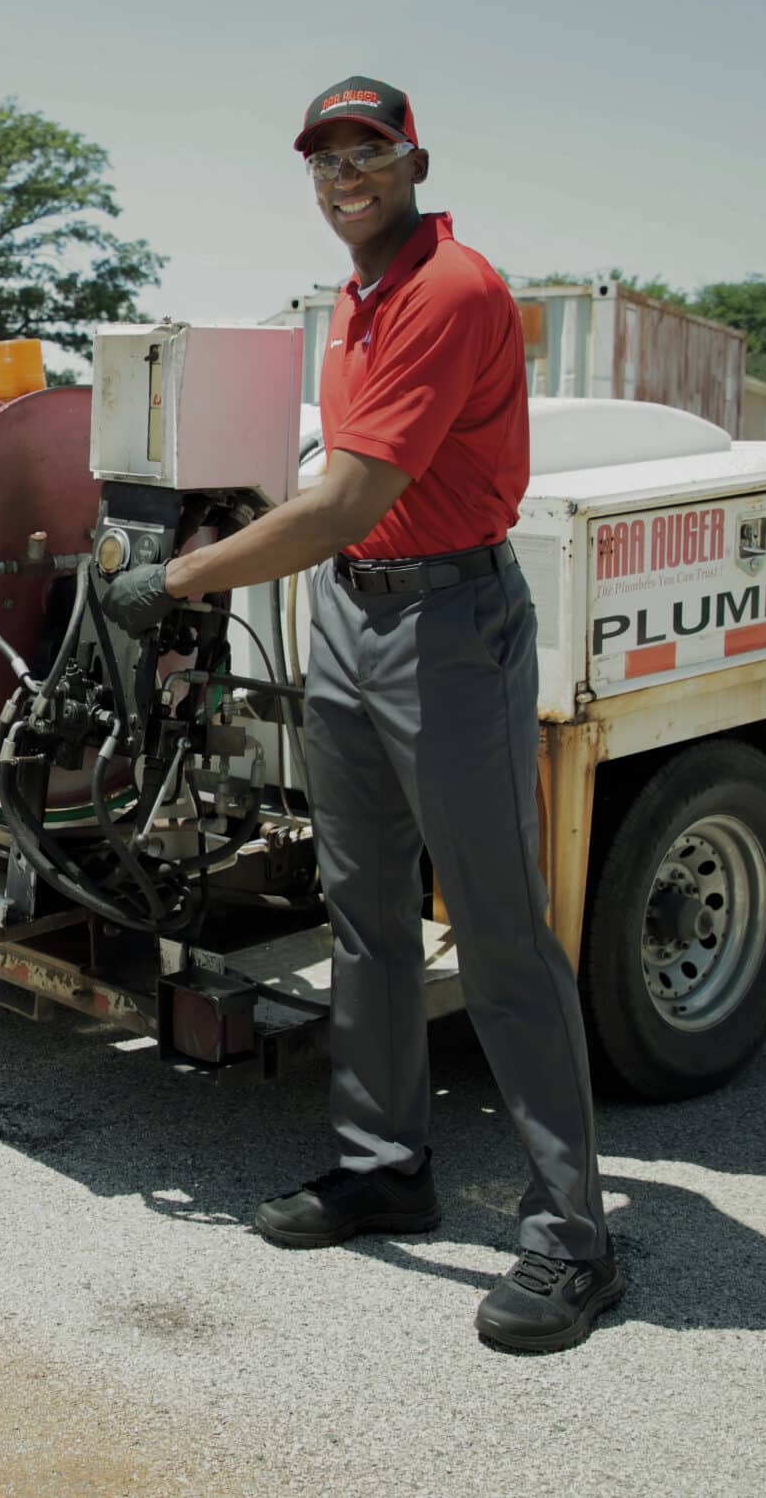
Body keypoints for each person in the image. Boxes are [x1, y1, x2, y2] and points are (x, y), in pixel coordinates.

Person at [101, 78, 620, 1353]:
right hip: (348, 614)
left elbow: (344, 500)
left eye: (367, 150)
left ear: (414, 161)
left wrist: (172, 581)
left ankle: (573, 1234)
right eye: (324, 157)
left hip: (447, 628)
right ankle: (385, 1163)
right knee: (364, 913)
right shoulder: (354, 300)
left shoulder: (450, 290)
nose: (344, 174)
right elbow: (334, 494)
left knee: (497, 932)